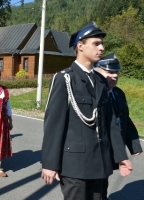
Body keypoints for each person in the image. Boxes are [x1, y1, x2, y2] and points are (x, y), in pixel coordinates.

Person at [41, 21, 132, 200]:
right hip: (75, 165)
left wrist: (121, 156)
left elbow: (110, 122)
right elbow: (53, 125)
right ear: (80, 46)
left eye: (102, 44)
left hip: (101, 162)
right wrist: (50, 163)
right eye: (96, 43)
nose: (102, 48)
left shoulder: (100, 81)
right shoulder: (65, 79)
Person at [94, 53, 143, 199]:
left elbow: (124, 119)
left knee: (103, 184)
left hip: (112, 149)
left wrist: (133, 144)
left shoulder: (118, 93)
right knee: (93, 188)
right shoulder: (93, 94)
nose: (115, 75)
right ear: (96, 71)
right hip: (95, 150)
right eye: (110, 72)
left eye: (116, 72)